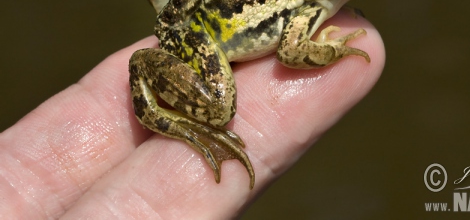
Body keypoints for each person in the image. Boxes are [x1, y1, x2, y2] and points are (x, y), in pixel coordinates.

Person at [0, 11, 385, 218]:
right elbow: (290, 51)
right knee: (218, 111)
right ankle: (170, 121)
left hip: (192, 11)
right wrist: (332, 51)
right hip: (199, 33)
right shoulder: (306, 8)